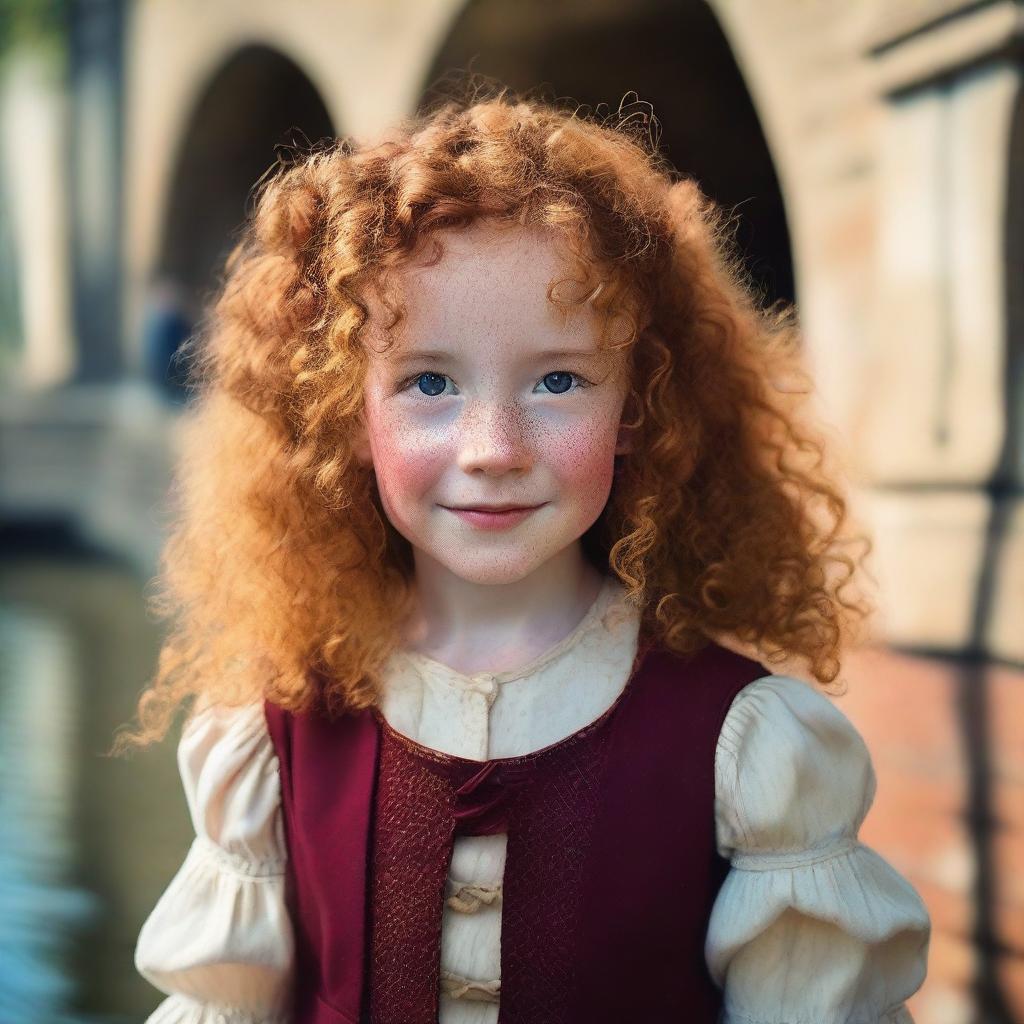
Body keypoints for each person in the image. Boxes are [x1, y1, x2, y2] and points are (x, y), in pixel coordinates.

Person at [118, 88, 931, 1024]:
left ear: (635, 408)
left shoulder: (748, 744)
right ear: (348, 414)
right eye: (429, 381)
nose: (493, 446)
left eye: (558, 379)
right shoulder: (274, 734)